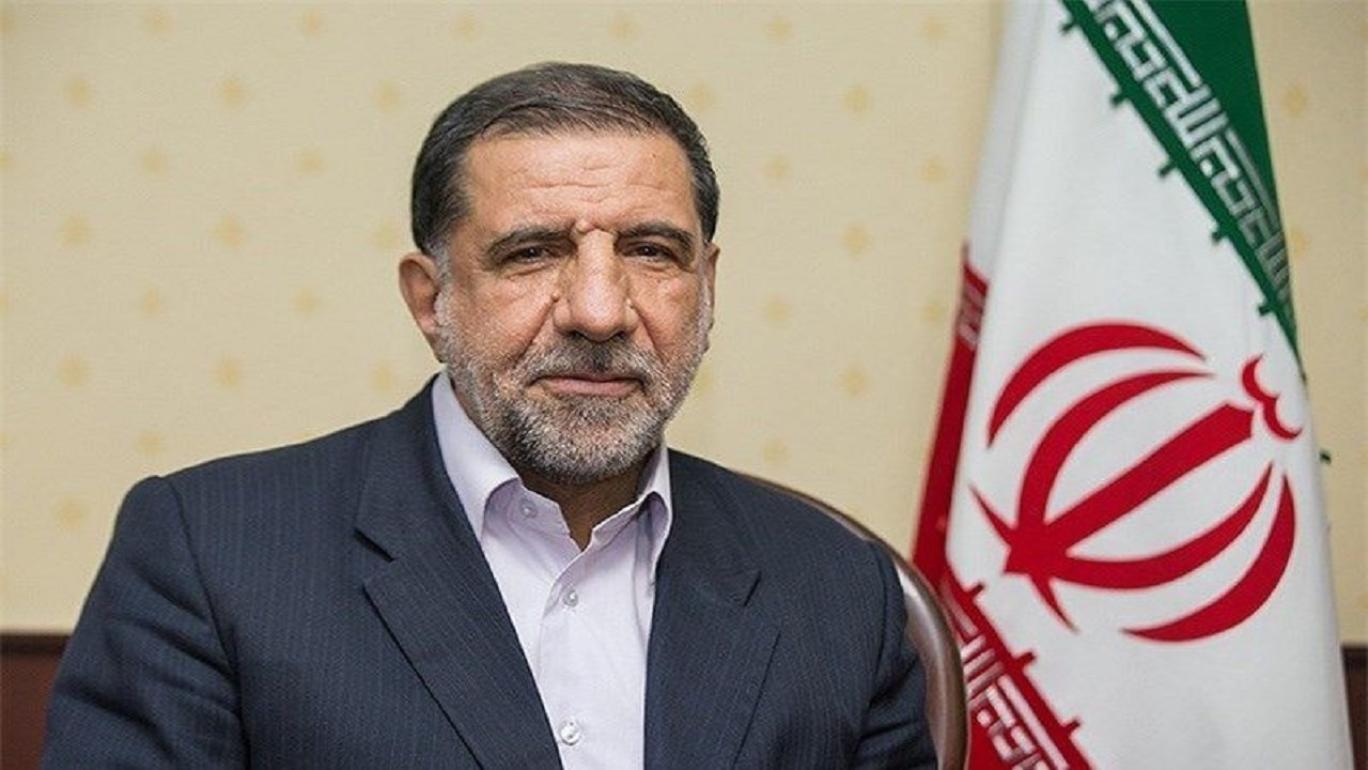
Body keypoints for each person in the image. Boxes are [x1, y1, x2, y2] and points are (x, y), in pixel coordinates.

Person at [44, 62, 936, 769]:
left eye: (650, 251)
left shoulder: (835, 589)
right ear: (429, 300)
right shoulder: (210, 553)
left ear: (707, 289)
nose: (599, 311)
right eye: (533, 253)